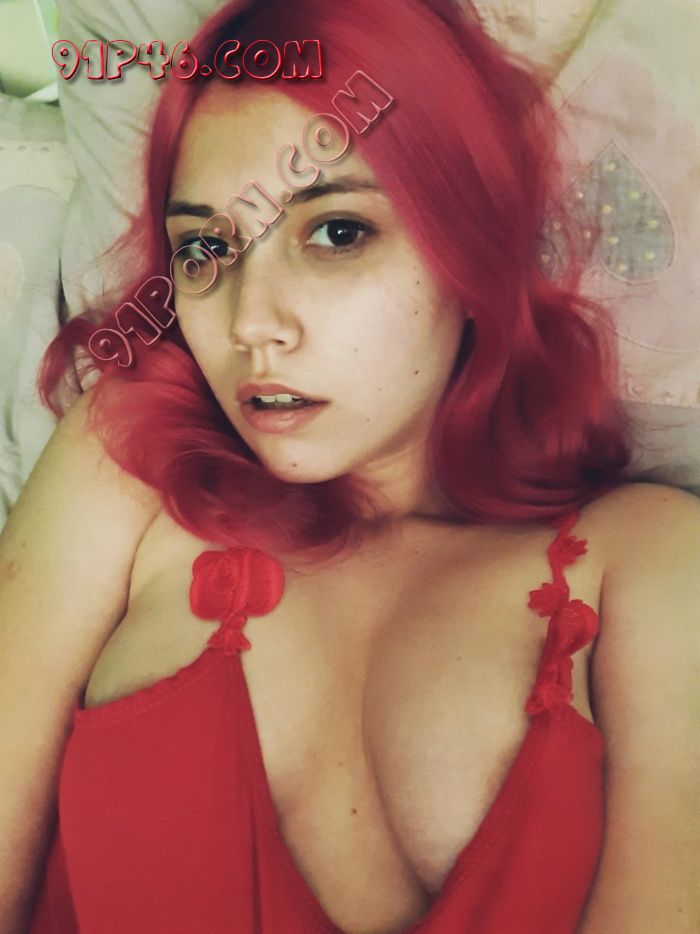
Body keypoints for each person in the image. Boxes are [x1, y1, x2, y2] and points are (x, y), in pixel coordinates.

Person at [1, 0, 697, 931]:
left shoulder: (652, 558)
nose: (251, 323)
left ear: (468, 248)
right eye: (205, 249)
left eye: (335, 233)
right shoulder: (126, 461)